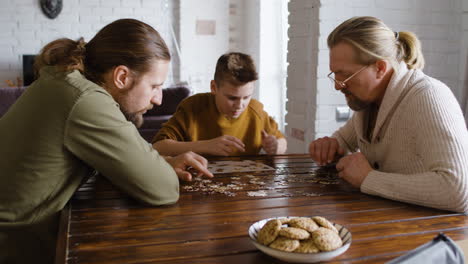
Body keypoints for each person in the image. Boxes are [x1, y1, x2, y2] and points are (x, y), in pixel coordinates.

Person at [0, 19, 213, 264]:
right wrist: (161, 168)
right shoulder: (86, 100)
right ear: (121, 76)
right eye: (154, 85)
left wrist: (164, 160)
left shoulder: (66, 81)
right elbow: (163, 190)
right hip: (15, 247)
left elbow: (130, 155)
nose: (159, 98)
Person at [309, 16, 468, 213]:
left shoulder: (429, 96)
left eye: (345, 75)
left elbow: (459, 191)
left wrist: (369, 179)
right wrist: (331, 146)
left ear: (380, 68)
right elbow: (342, 140)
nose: (337, 85)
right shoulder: (370, 99)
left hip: (428, 234)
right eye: (335, 74)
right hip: (384, 222)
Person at [152, 52, 287, 156]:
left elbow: (282, 142)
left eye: (246, 97)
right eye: (232, 98)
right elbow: (158, 147)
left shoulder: (256, 110)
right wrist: (205, 146)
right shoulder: (193, 106)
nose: (240, 105)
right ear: (214, 87)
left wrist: (275, 147)